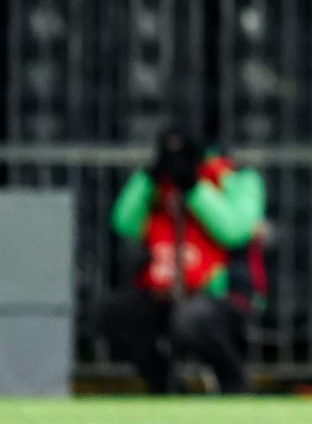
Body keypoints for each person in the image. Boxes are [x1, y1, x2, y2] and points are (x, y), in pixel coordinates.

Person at [97, 126, 267, 393]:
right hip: (164, 288)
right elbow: (124, 222)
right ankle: (163, 384)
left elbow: (234, 231)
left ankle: (234, 383)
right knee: (112, 314)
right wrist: (150, 176)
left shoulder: (239, 178)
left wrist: (193, 187)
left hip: (224, 291)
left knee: (191, 319)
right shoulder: (156, 183)